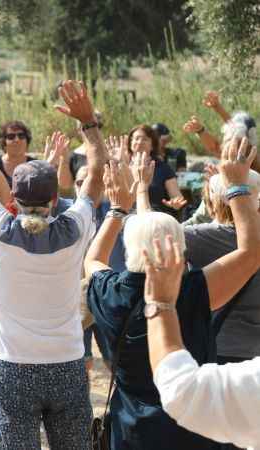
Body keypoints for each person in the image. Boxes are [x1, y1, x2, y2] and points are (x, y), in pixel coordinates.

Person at [0, 68, 104, 448]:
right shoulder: (75, 229)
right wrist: (88, 122)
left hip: (12, 365)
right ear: (55, 199)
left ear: (15, 200)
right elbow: (97, 175)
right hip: (67, 362)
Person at [84, 140, 259, 449]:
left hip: (131, 431)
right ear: (178, 252)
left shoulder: (109, 292)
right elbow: (250, 253)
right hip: (193, 432)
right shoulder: (193, 291)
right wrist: (237, 188)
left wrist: (117, 209)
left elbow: (92, 260)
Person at [147, 139, 260, 450]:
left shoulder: (200, 237)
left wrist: (140, 194)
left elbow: (149, 233)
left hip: (219, 349)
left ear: (212, 202)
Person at [128, 124, 187, 217]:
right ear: (130, 143)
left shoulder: (163, 168)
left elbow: (177, 197)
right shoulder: (122, 166)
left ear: (152, 145)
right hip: (128, 219)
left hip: (155, 218)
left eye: (145, 139)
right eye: (136, 138)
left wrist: (176, 203)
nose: (139, 142)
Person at [0, 120, 36, 187]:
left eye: (21, 136)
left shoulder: (34, 164)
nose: (17, 140)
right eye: (11, 137)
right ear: (4, 142)